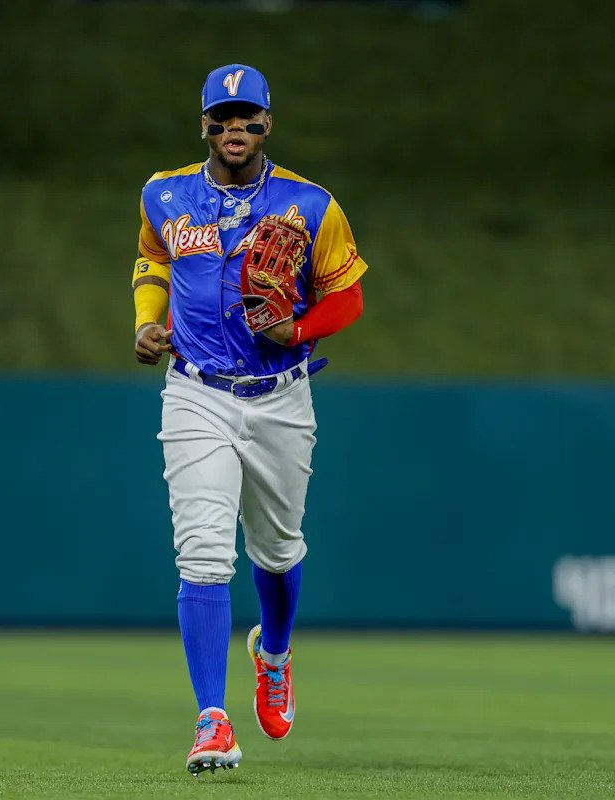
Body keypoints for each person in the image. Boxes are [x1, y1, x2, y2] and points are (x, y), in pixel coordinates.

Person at [132, 63, 368, 777]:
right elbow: (152, 260)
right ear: (204, 125)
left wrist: (297, 329)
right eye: (222, 118)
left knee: (279, 549)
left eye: (248, 118)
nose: (235, 128)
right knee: (203, 554)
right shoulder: (164, 194)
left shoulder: (310, 204)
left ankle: (274, 652)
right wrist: (147, 320)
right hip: (196, 392)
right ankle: (212, 719)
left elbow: (348, 298)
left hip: (280, 395)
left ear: (268, 124)